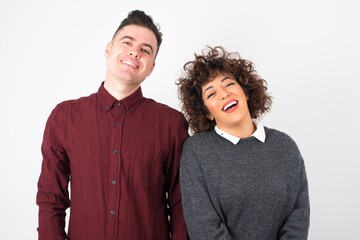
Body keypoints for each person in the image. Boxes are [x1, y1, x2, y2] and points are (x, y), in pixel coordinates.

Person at [36, 10, 189, 240]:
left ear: (151, 67)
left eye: (145, 50)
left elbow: (180, 202)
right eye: (127, 42)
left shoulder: (171, 124)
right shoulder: (64, 117)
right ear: (108, 49)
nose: (134, 52)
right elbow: (51, 197)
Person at [177, 46, 310, 239]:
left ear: (245, 91)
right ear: (207, 112)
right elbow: (203, 226)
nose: (223, 94)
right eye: (211, 94)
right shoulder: (196, 151)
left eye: (228, 84)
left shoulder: (285, 146)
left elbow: (299, 215)